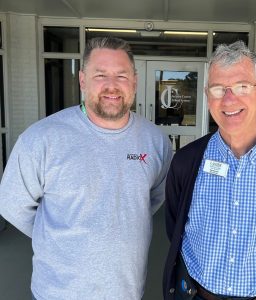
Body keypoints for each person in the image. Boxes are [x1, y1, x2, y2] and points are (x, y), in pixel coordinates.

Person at [0, 36, 173, 300]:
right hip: (58, 293)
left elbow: (153, 198)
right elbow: (12, 203)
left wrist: (117, 219)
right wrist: (58, 233)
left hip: (126, 291)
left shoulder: (155, 140)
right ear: (82, 80)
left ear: (135, 81)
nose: (112, 86)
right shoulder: (42, 138)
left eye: (122, 76)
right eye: (100, 75)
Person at [163, 41, 256, 300]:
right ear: (207, 96)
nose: (229, 99)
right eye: (218, 89)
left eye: (242, 87)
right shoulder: (185, 162)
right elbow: (175, 225)